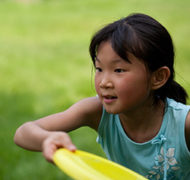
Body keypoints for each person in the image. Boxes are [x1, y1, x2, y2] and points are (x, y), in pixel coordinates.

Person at [14, 13, 190, 179]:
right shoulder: (96, 111)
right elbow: (23, 132)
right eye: (99, 69)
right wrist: (47, 138)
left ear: (158, 77)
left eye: (119, 70)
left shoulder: (184, 124)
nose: (104, 82)